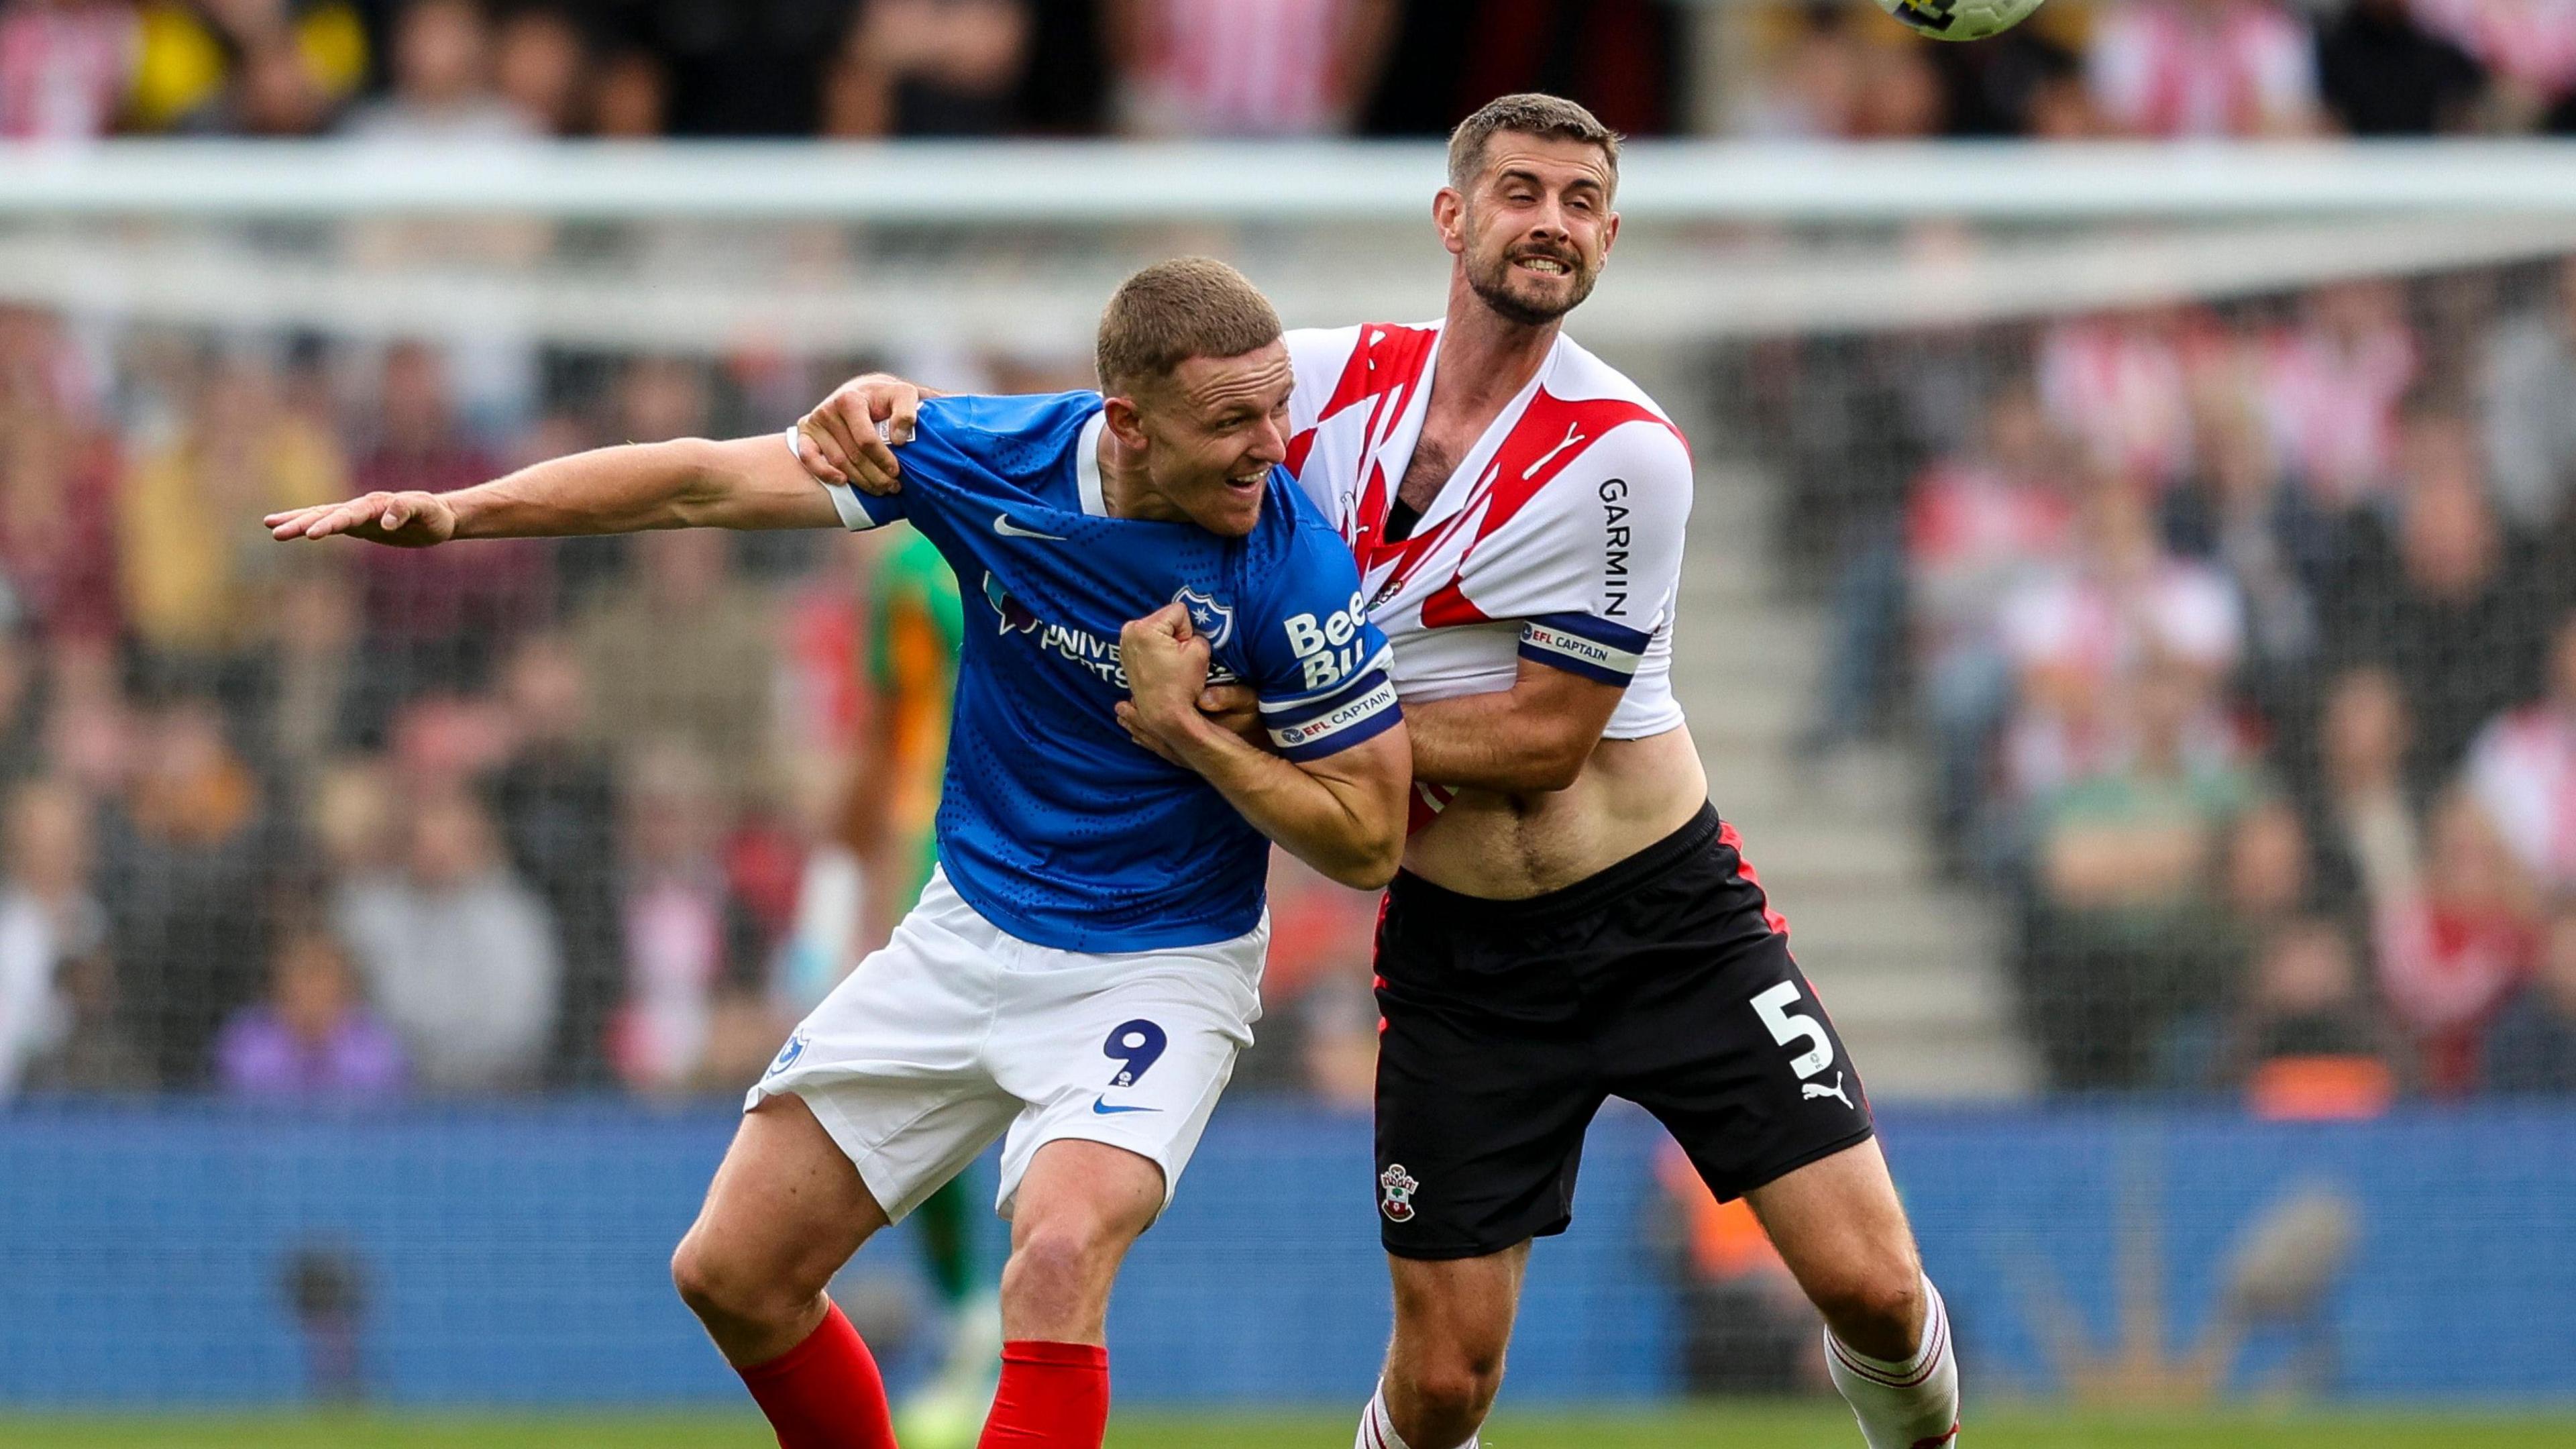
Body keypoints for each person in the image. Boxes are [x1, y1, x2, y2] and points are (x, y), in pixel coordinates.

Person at [802, 93, 1960, 1449]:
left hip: (1667, 922)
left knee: (1874, 1289)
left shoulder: (1630, 455)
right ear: (1452, 215)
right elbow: (1124, 426)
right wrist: (913, 416)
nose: (1552, 223)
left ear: (1611, 240)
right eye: (1523, 190)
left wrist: (1254, 716)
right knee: (1446, 1382)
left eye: (1583, 203)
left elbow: (1544, 742)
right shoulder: (1316, 384)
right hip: (1463, 954)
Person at [269, 256, 1413, 1449]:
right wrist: (461, 513)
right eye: (1233, 419)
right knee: (733, 1273)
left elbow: (1371, 837)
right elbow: (704, 486)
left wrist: (1186, 731)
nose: (1274, 446)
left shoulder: (1290, 570)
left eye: (1279, 409)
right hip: (968, 932)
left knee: (1057, 1257)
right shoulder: (990, 460)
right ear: (1126, 422)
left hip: (1162, 963)